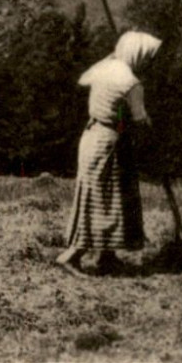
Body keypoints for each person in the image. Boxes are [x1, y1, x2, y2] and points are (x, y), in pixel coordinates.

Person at [56, 30, 161, 276]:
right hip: (110, 145)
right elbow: (138, 118)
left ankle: (107, 257)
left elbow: (83, 79)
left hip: (92, 138)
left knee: (105, 198)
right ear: (138, 55)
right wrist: (150, 126)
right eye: (147, 57)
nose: (149, 63)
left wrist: (111, 57)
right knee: (102, 201)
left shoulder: (105, 69)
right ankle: (71, 257)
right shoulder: (132, 84)